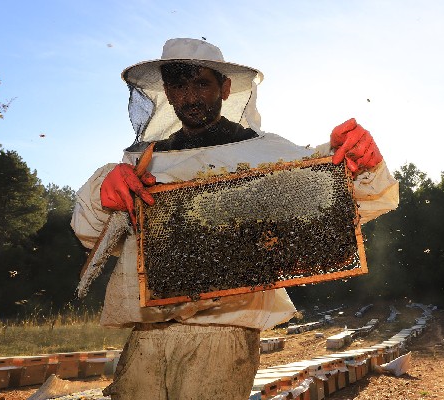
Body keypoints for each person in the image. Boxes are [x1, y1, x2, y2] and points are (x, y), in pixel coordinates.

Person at [71, 38, 399, 400]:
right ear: (166, 91)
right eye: (179, 85)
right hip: (147, 336)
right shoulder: (146, 162)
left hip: (224, 335)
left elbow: (349, 196)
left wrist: (361, 160)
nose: (190, 96)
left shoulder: (263, 153)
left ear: (225, 87)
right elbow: (90, 233)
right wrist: (105, 192)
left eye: (202, 83)